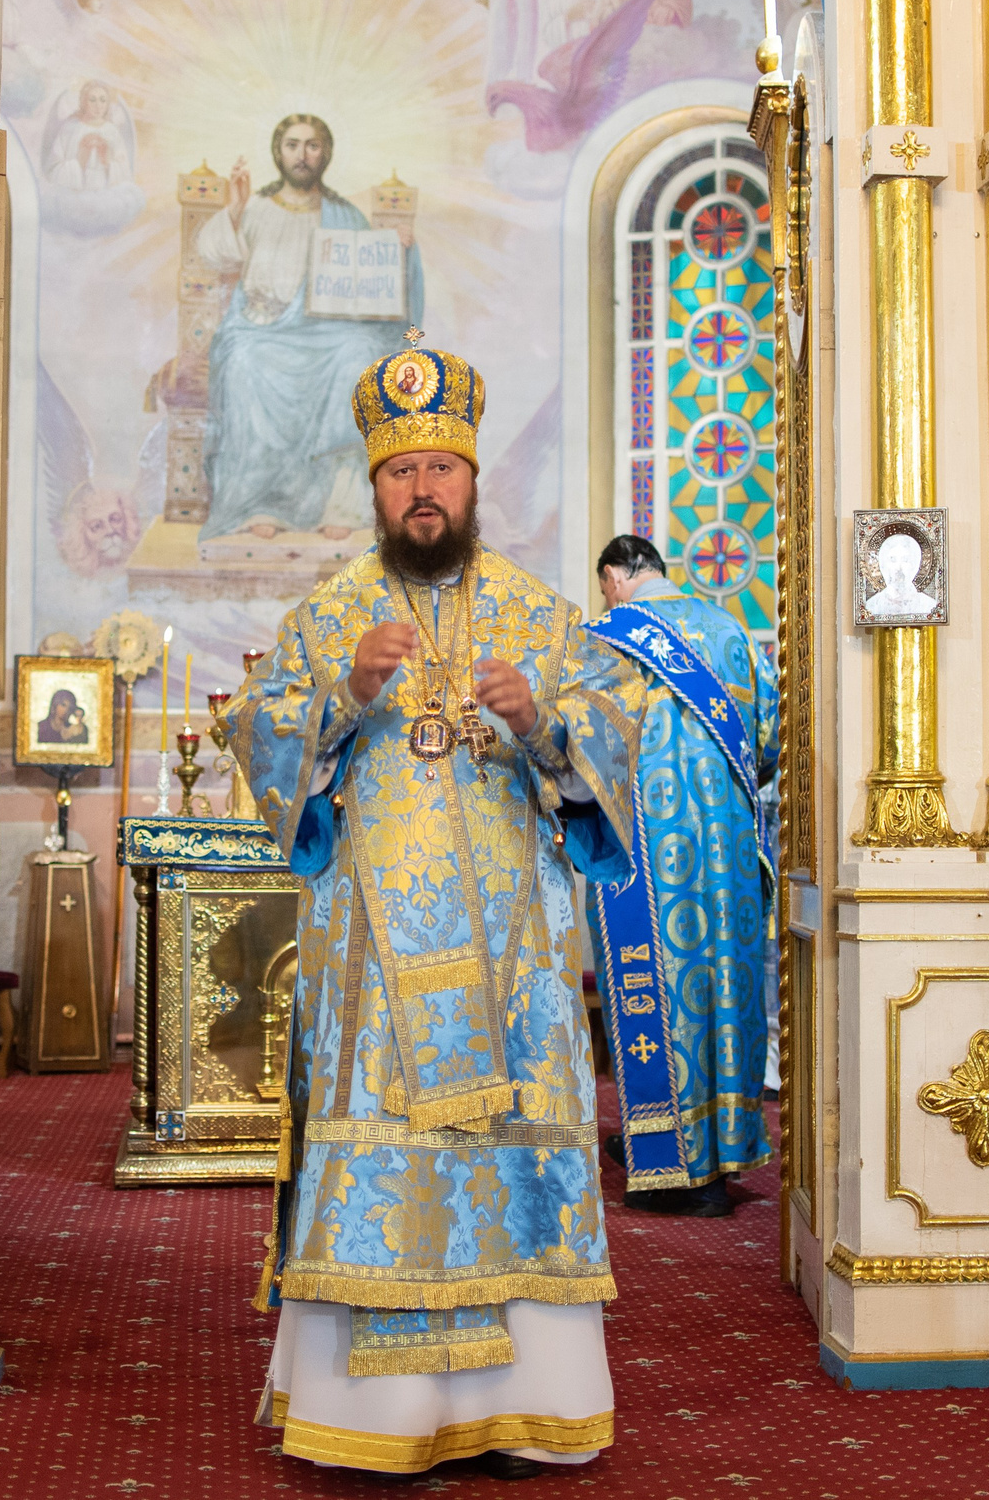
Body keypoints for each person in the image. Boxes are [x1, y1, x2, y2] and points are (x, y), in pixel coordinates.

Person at [217, 336, 649, 1480]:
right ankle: (383, 1415)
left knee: (515, 1151)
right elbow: (257, 733)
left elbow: (616, 743)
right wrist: (341, 694)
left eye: (440, 470)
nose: (422, 490)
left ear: (470, 478)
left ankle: (524, 1405)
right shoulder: (330, 616)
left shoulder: (540, 616)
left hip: (514, 963)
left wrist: (543, 723)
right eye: (401, 472)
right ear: (375, 487)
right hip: (375, 967)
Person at [588, 535, 777, 1217]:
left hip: (649, 849)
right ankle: (725, 1149)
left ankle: (676, 1165)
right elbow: (768, 743)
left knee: (665, 995)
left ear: (615, 576)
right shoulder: (731, 630)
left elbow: (583, 747)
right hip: (729, 850)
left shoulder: (607, 638)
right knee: (726, 990)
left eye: (605, 586)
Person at [194, 114, 422, 543]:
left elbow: (373, 278)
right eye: (293, 145)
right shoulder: (256, 208)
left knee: (358, 355)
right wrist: (236, 207)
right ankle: (259, 502)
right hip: (262, 329)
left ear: (326, 154)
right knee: (243, 362)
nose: (302, 155)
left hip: (327, 335)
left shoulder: (344, 215)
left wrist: (399, 247)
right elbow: (212, 254)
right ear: (278, 153)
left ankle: (341, 504)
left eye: (312, 145)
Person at [862, 530, 939, 621]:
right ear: (884, 565)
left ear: (914, 565)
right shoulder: (871, 607)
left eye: (905, 560)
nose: (898, 568)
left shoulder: (929, 606)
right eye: (892, 560)